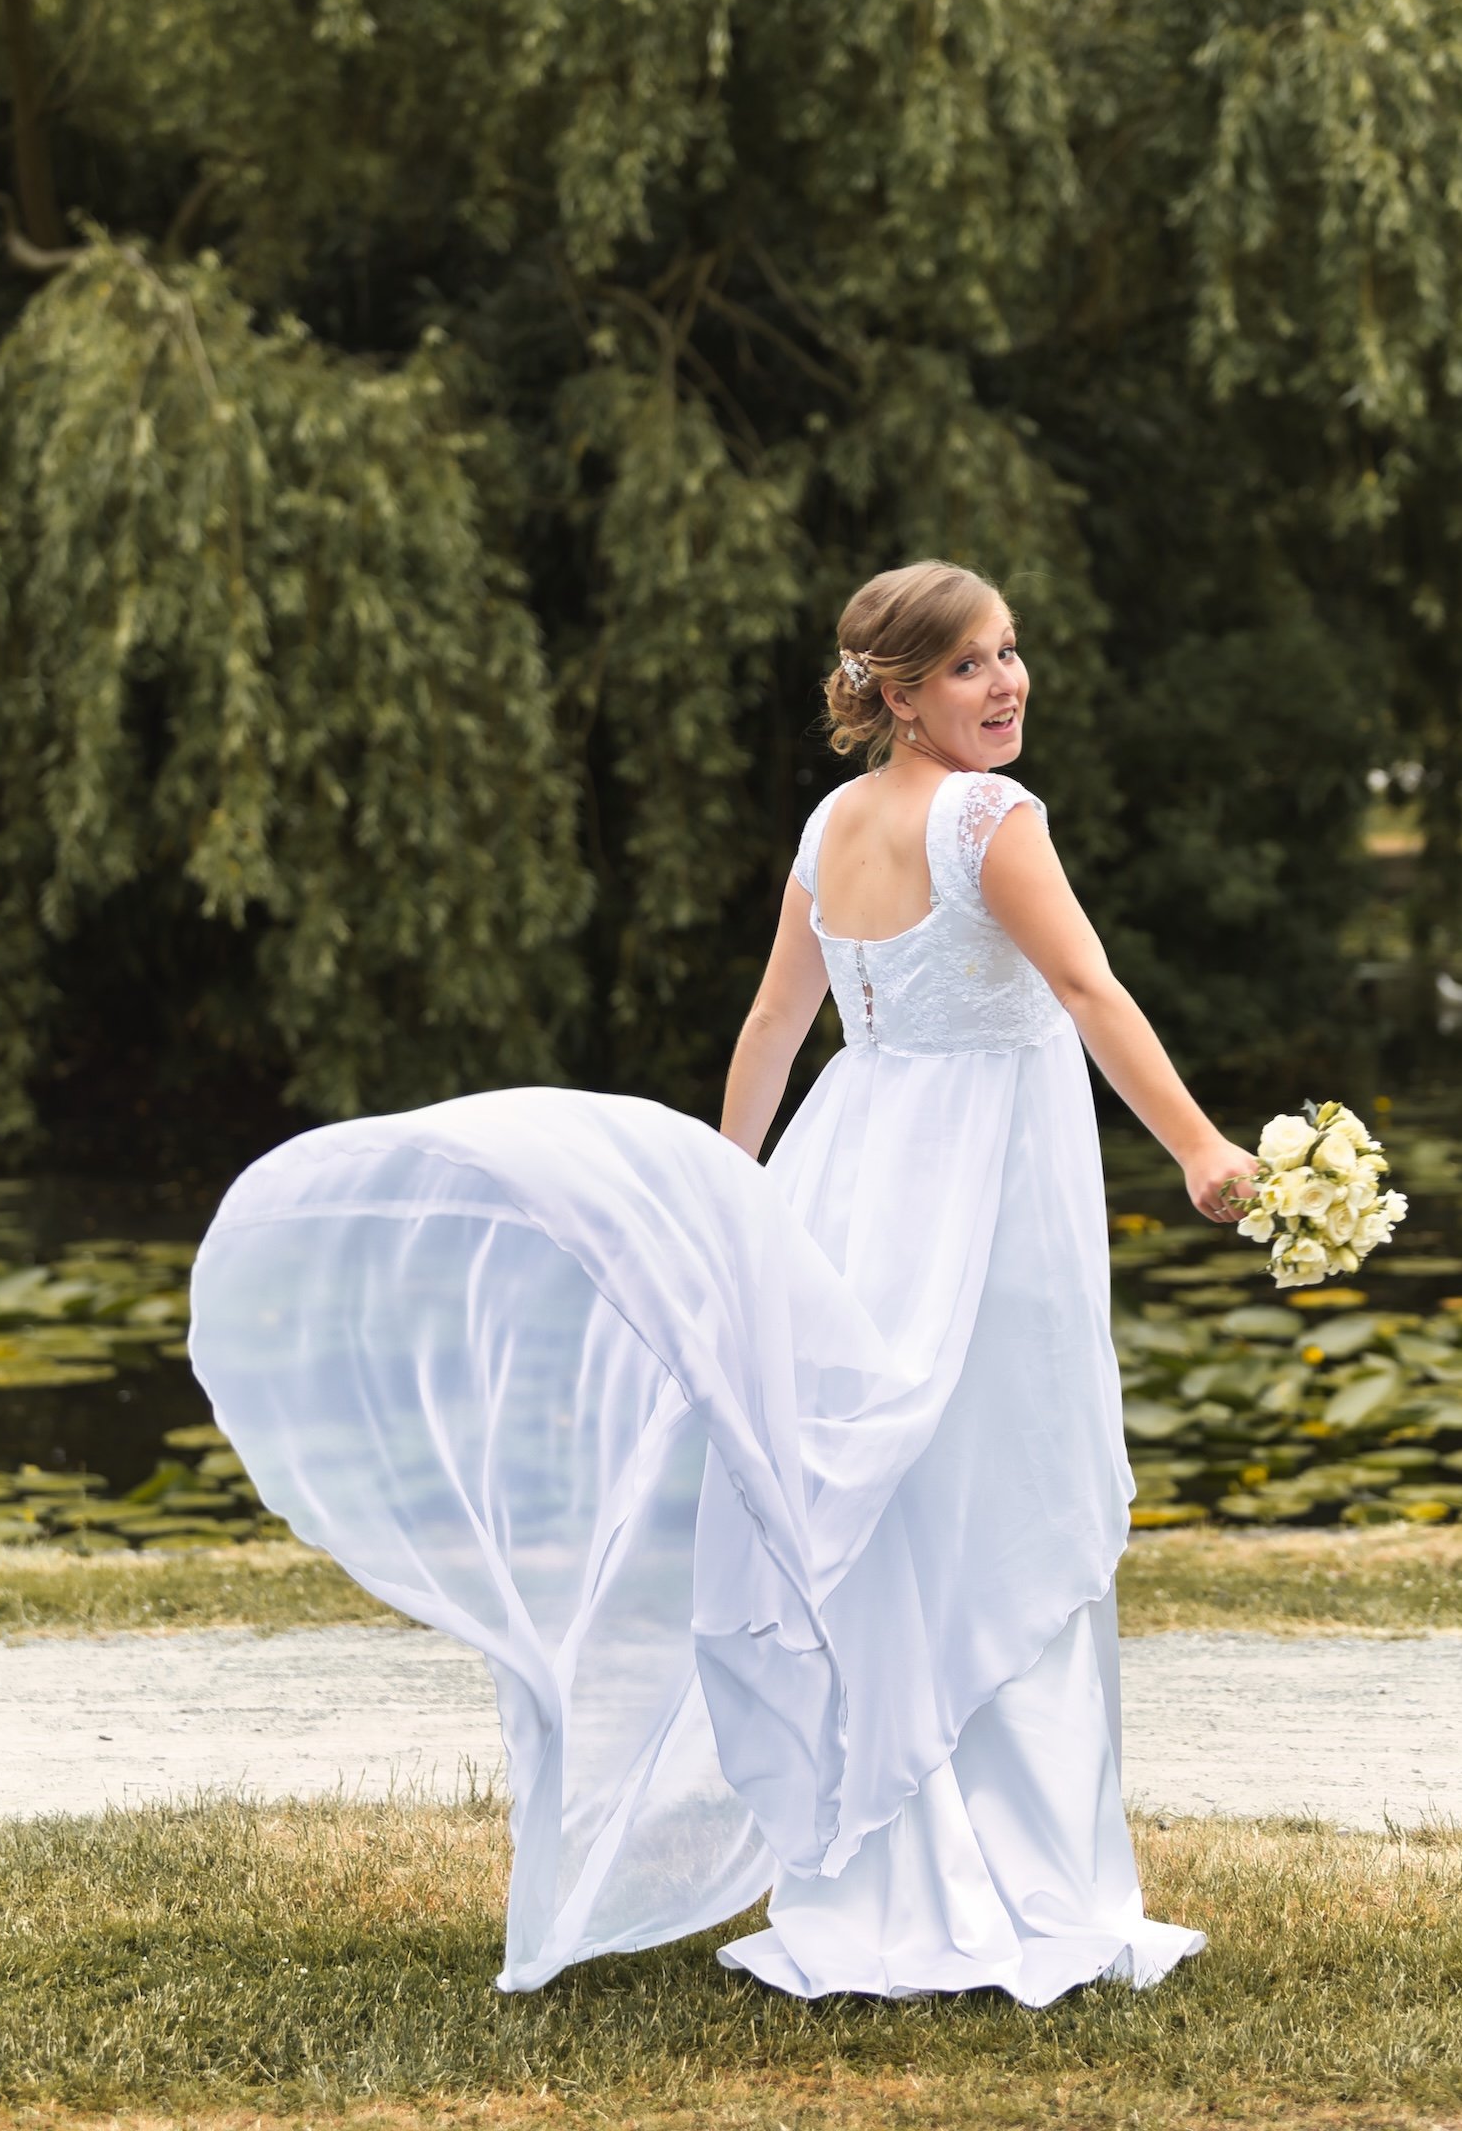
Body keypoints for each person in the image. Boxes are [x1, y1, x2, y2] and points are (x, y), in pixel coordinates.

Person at [187, 558, 1259, 2005]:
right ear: (897, 694)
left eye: (1011, 650)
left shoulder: (830, 824)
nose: (1007, 683)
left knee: (889, 1517)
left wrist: (726, 1200)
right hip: (983, 1198)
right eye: (968, 665)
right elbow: (1086, 991)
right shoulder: (992, 821)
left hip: (853, 1175)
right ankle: (1019, 1885)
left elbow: (775, 1027)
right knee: (996, 1488)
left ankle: (885, 1874)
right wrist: (1200, 1147)